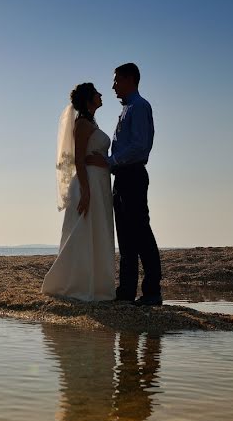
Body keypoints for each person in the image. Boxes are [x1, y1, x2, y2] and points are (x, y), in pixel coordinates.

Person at [87, 63, 162, 305]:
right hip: (122, 177)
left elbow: (140, 146)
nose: (113, 86)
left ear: (129, 79)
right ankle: (126, 291)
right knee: (126, 236)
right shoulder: (128, 108)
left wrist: (110, 161)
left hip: (133, 175)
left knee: (140, 232)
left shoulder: (139, 106)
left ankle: (152, 292)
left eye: (117, 81)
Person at [41, 83, 115, 301]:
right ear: (88, 99)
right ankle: (76, 284)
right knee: (83, 231)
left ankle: (98, 285)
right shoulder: (81, 124)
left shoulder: (91, 122)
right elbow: (78, 160)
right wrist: (86, 190)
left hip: (99, 181)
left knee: (97, 231)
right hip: (88, 182)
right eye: (97, 93)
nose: (101, 95)